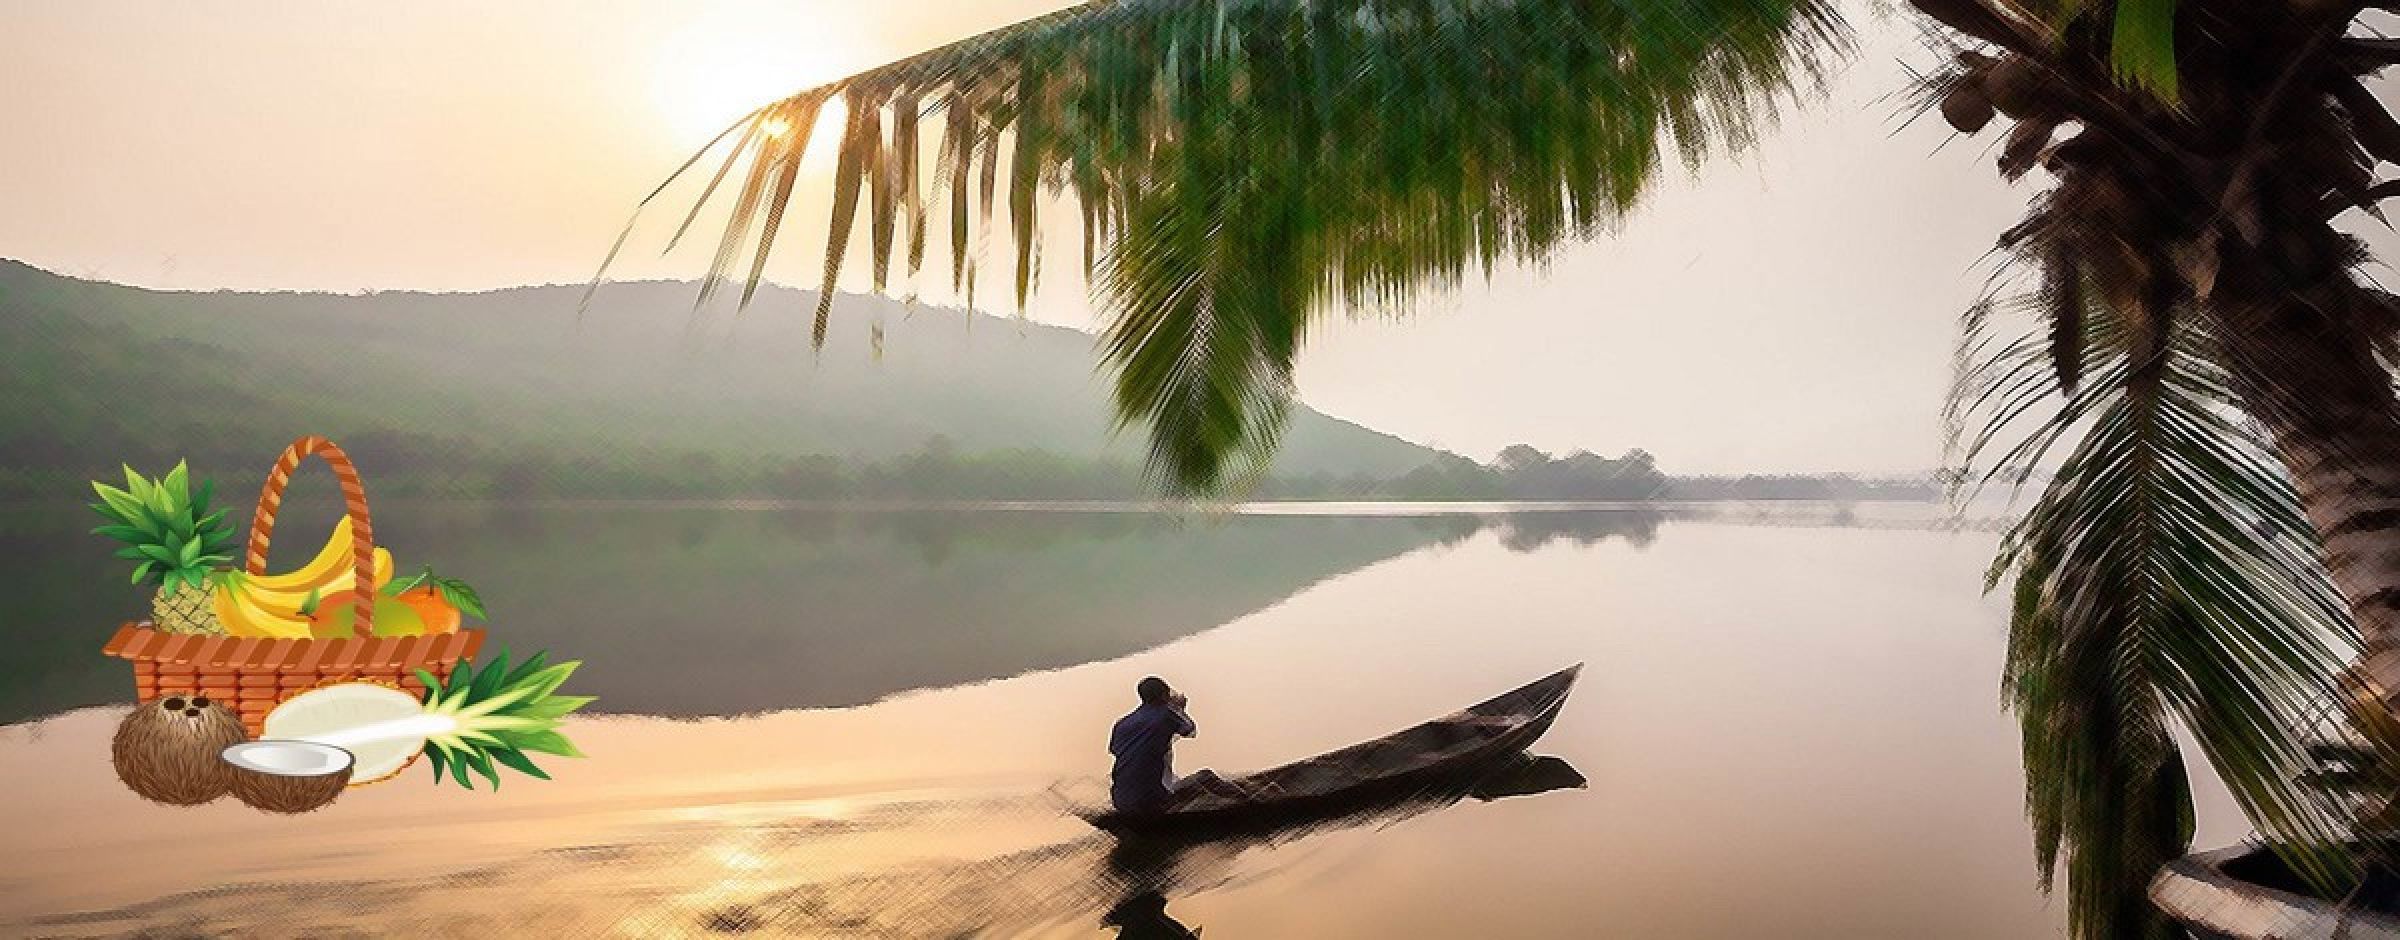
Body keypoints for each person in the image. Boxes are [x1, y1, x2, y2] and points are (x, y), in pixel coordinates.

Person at [1108, 676, 1245, 814]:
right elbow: (1190, 731)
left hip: (1120, 800)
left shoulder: (1121, 723)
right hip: (1151, 799)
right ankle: (1246, 802)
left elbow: (1116, 750)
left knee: (1169, 779)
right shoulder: (1166, 715)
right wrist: (1179, 709)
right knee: (1206, 776)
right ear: (1164, 694)